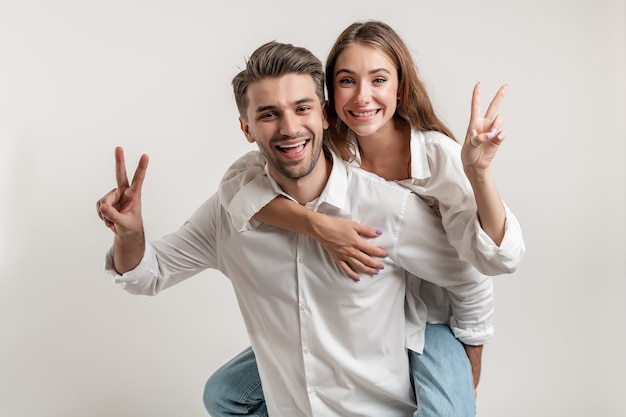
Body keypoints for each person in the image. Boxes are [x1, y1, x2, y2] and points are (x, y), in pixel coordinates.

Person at [96, 40, 494, 417]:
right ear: (246, 128)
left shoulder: (388, 207)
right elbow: (148, 275)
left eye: (301, 108)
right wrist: (130, 237)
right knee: (224, 394)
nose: (289, 128)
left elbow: (467, 277)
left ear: (324, 114)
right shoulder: (229, 213)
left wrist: (468, 370)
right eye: (268, 114)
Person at [206, 20, 525, 417]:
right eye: (346, 81)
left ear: (400, 86)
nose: (362, 97)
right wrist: (318, 226)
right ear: (327, 97)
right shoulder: (326, 147)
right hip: (352, 318)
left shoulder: (439, 156)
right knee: (224, 394)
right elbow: (241, 188)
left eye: (378, 79)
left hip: (430, 318)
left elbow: (490, 264)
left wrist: (470, 361)